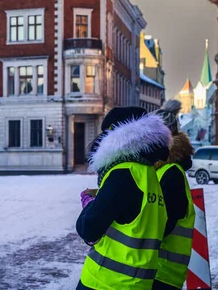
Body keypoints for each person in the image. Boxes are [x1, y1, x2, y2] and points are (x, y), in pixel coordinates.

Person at [76, 107, 171, 290]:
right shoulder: (148, 174)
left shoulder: (123, 173)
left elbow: (89, 228)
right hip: (138, 283)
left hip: (104, 282)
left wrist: (90, 203)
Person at [153, 100, 196, 290]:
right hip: (157, 270)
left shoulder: (171, 173)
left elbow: (162, 225)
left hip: (162, 274)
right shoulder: (161, 169)